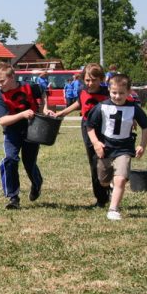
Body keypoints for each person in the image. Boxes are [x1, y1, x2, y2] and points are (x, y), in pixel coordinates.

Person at [87, 74, 147, 221]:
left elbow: (145, 126)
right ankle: (110, 188)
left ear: (129, 92)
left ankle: (113, 209)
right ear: (109, 90)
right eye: (114, 92)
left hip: (124, 149)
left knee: (120, 179)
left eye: (122, 93)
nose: (117, 96)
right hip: (106, 149)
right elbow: (89, 126)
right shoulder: (102, 107)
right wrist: (96, 143)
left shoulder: (133, 108)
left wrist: (142, 145)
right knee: (103, 181)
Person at [0, 62, 53, 209]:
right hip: (12, 132)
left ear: (12, 76)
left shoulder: (30, 87)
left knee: (29, 163)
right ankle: (13, 198)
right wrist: (22, 114)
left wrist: (44, 108)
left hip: (32, 130)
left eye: (2, 81)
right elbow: (3, 121)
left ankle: (37, 184)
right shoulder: (0, 96)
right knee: (10, 160)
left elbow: (43, 91)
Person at [55, 64, 111, 207]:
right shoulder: (81, 90)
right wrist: (62, 113)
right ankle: (100, 199)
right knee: (94, 162)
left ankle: (108, 186)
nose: (90, 83)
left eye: (94, 80)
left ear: (101, 79)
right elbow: (79, 103)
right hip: (88, 128)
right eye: (87, 80)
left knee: (107, 160)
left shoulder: (108, 92)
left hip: (106, 129)